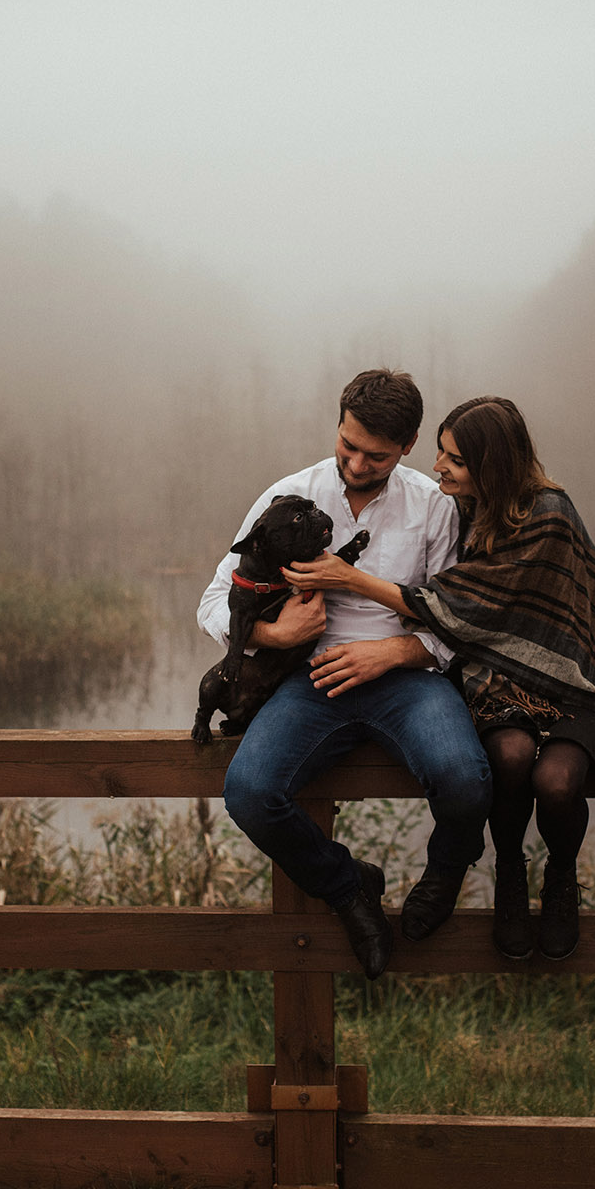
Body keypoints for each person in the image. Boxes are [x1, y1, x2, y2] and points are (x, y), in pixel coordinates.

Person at [284, 395, 595, 961]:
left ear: (492, 466)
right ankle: (511, 874)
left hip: (572, 678)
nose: (440, 467)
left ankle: (561, 880)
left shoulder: (547, 512)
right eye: (442, 453)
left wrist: (351, 579)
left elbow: (461, 605)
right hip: (499, 677)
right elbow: (455, 606)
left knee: (558, 782)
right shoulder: (460, 509)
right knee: (511, 757)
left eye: (456, 460)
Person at [197, 369, 493, 979]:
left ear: (408, 445)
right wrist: (277, 635)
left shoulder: (435, 507)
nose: (357, 464)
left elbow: (456, 622)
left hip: (409, 680)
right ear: (338, 425)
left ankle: (442, 876)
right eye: (348, 445)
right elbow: (213, 603)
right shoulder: (287, 495)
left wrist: (394, 653)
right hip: (309, 683)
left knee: (466, 781)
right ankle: (348, 890)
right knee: (249, 794)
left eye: (376, 455)